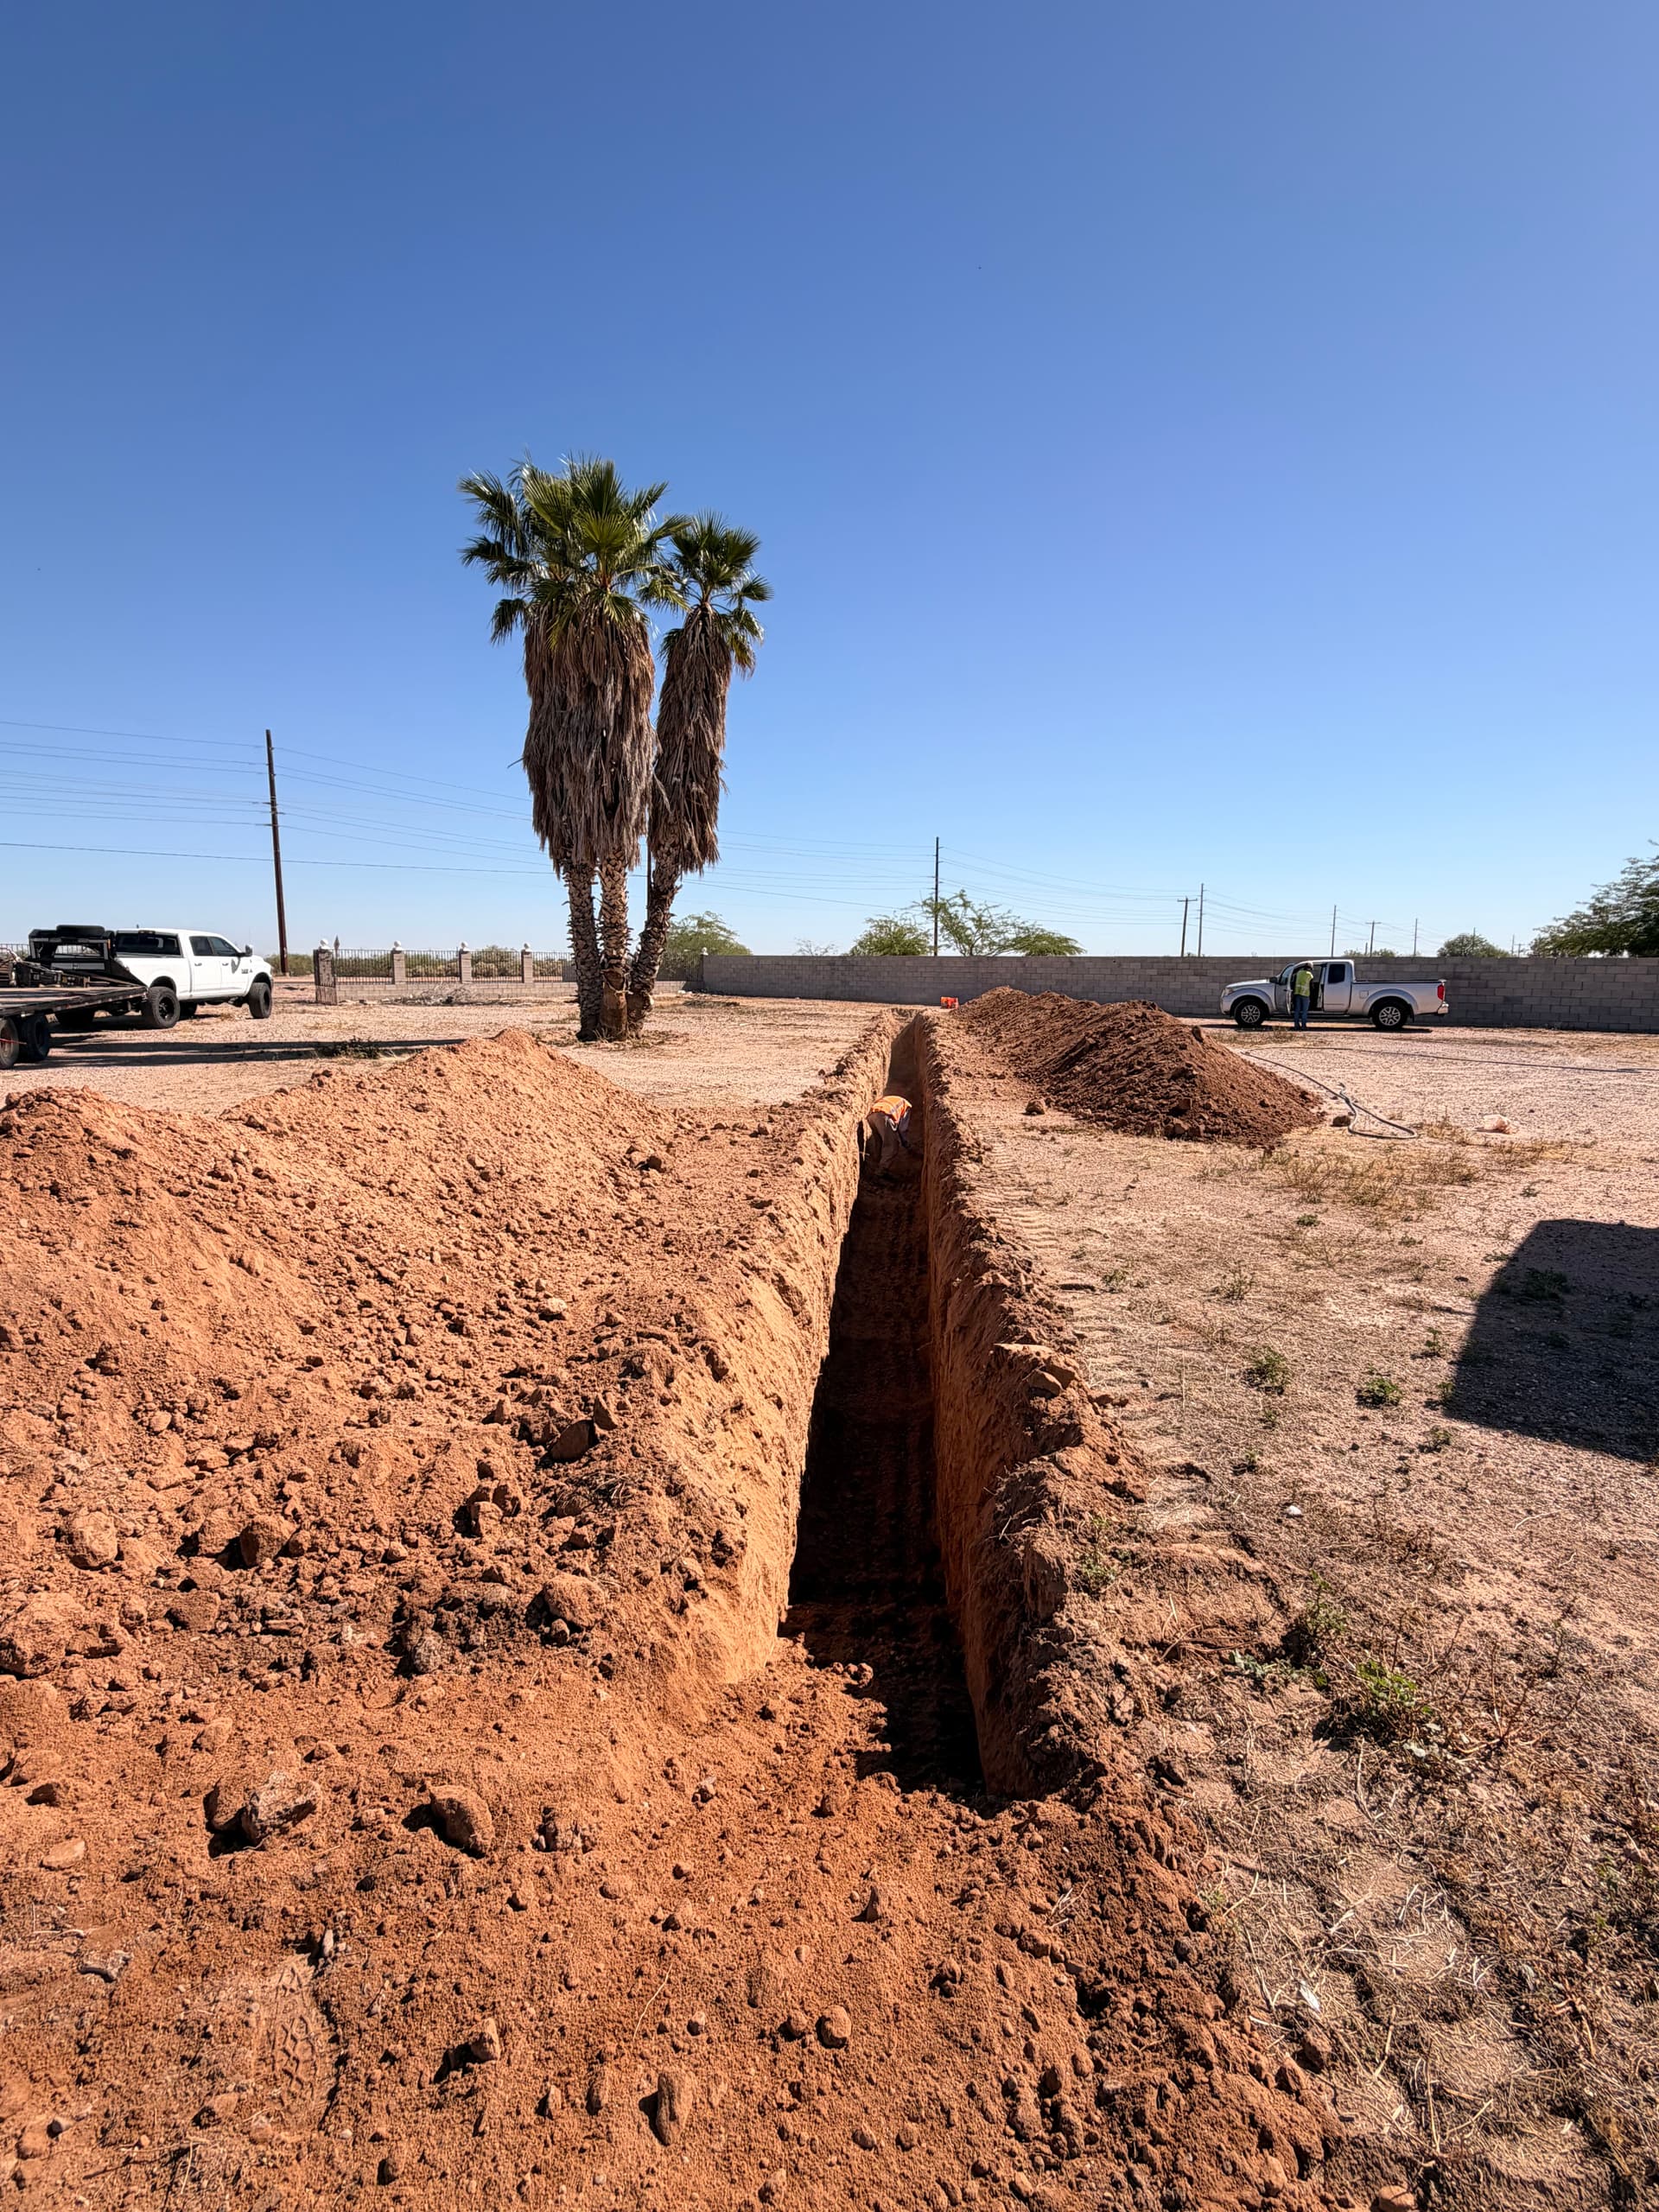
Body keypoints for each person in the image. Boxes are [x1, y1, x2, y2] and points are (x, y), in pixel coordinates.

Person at [865, 1092, 913, 1174]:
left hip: (871, 1115)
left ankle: (875, 1164)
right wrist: (906, 1144)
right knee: (892, 1146)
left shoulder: (893, 1099)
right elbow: (902, 1129)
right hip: (884, 1116)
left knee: (879, 1141)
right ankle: (881, 1170)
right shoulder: (906, 1106)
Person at [1290, 961, 1315, 1030]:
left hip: (1297, 994)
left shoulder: (1298, 973)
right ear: (1310, 968)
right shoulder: (1310, 975)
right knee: (1304, 1011)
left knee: (1297, 1010)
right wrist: (1313, 996)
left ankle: (1296, 1026)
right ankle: (1304, 1027)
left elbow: (1293, 983)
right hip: (1305, 995)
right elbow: (1312, 986)